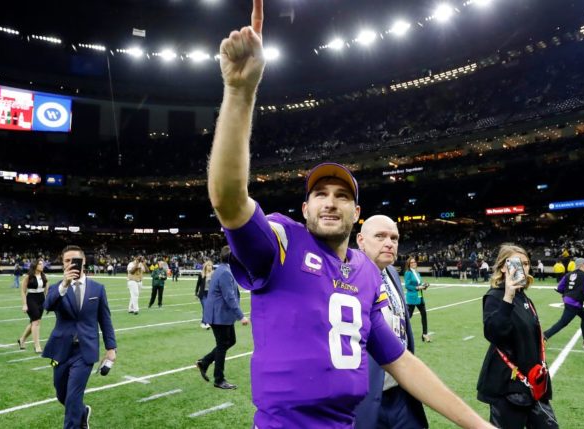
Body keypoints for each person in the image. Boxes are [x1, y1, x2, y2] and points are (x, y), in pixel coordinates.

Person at [207, 2, 491, 426]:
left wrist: (479, 424)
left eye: (341, 196)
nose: (330, 201)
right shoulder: (282, 243)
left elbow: (401, 362)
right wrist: (239, 93)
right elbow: (229, 199)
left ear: (356, 212)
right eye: (320, 193)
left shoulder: (366, 272)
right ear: (305, 208)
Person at [354, 215, 428, 429]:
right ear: (360, 240)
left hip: (402, 393)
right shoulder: (346, 277)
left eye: (394, 238)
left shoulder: (393, 273)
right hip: (368, 397)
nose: (389, 243)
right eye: (380, 236)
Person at [479, 244, 558, 428]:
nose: (523, 267)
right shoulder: (495, 296)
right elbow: (493, 333)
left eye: (526, 263)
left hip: (532, 383)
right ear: (503, 267)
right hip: (508, 386)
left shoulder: (524, 298)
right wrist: (508, 296)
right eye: (517, 263)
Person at [42, 245, 117, 428]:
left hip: (85, 350)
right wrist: (64, 285)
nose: (70, 264)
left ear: (83, 262)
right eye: (66, 261)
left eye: (74, 260)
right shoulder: (56, 288)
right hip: (60, 350)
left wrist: (111, 349)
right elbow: (47, 306)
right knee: (62, 394)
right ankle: (83, 412)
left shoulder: (97, 289)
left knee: (74, 395)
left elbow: (105, 319)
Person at [196, 247, 249, 389]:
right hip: (219, 315)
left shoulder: (223, 270)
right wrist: (241, 316)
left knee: (230, 341)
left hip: (221, 315)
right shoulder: (225, 272)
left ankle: (205, 362)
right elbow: (229, 297)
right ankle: (219, 379)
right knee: (222, 345)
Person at [18, 259, 48, 353]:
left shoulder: (44, 276)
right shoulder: (28, 277)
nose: (42, 265)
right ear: (35, 266)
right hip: (31, 299)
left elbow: (46, 290)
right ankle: (37, 346)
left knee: (34, 322)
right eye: (40, 264)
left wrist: (47, 302)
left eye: (42, 264)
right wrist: (24, 304)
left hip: (41, 299)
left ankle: (22, 339)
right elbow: (23, 291)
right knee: (36, 322)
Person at [405, 257, 431, 343]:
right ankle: (401, 332)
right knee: (409, 316)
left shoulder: (417, 273)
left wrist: (424, 285)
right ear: (409, 264)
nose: (414, 264)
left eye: (414, 262)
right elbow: (407, 286)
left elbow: (419, 283)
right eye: (411, 263)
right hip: (412, 298)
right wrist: (417, 287)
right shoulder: (408, 273)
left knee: (424, 314)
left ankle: (425, 334)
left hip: (420, 297)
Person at [196, 260, 214, 329]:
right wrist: (196, 293)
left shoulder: (213, 274)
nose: (210, 267)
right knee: (205, 307)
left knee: (207, 308)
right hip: (203, 294)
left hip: (210, 294)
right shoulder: (201, 274)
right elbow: (198, 284)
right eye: (208, 265)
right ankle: (206, 323)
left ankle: (203, 322)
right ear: (205, 266)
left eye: (211, 266)